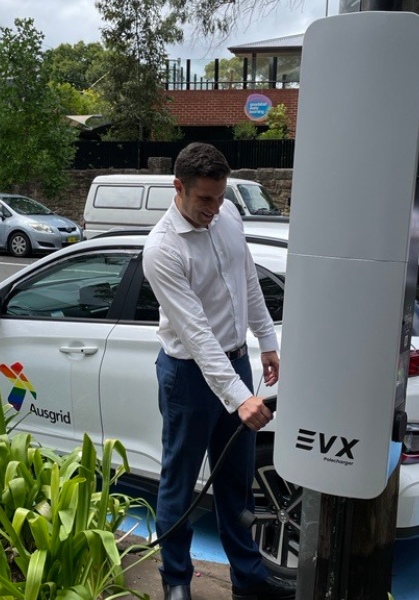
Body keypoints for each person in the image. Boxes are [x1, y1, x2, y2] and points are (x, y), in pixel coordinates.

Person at [143, 142, 296, 600]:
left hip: (235, 361)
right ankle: (176, 581)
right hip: (187, 377)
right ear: (178, 188)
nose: (213, 208)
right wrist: (238, 395)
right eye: (203, 199)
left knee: (236, 482)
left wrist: (266, 340)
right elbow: (195, 334)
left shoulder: (228, 214)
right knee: (180, 484)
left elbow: (245, 276)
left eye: (218, 196)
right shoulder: (163, 250)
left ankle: (248, 580)